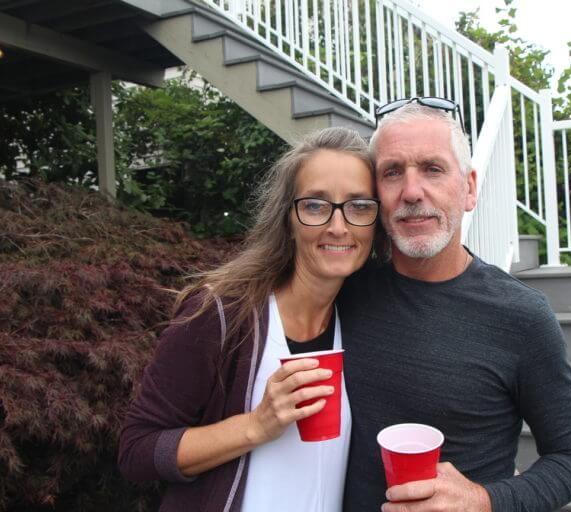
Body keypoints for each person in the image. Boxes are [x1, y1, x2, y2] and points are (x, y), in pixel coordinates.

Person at [338, 98, 571, 512]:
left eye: (432, 169)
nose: (411, 192)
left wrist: (484, 500)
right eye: (392, 172)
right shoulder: (344, 292)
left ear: (470, 188)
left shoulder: (522, 316)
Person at [118, 127, 382, 511]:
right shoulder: (222, 315)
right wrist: (256, 425)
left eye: (359, 206)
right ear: (288, 220)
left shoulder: (362, 318)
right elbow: (137, 449)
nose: (338, 226)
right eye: (314, 206)